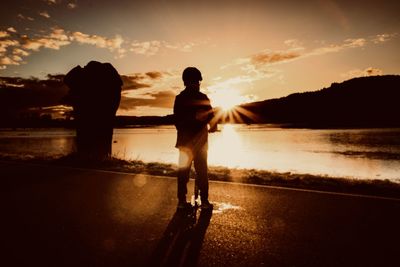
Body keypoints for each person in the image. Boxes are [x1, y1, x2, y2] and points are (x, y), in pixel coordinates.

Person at [173, 67, 216, 210]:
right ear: (187, 82)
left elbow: (211, 116)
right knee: (195, 172)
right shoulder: (184, 99)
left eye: (198, 82)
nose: (198, 84)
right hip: (190, 144)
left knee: (190, 172)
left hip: (191, 143)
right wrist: (198, 119)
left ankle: (192, 201)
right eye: (196, 81)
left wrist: (213, 125)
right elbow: (178, 121)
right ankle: (195, 202)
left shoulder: (197, 98)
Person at [64, 61, 122, 160]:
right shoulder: (107, 77)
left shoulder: (103, 80)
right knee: (94, 136)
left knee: (98, 135)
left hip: (99, 114)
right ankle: (96, 157)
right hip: (95, 115)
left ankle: (98, 157)